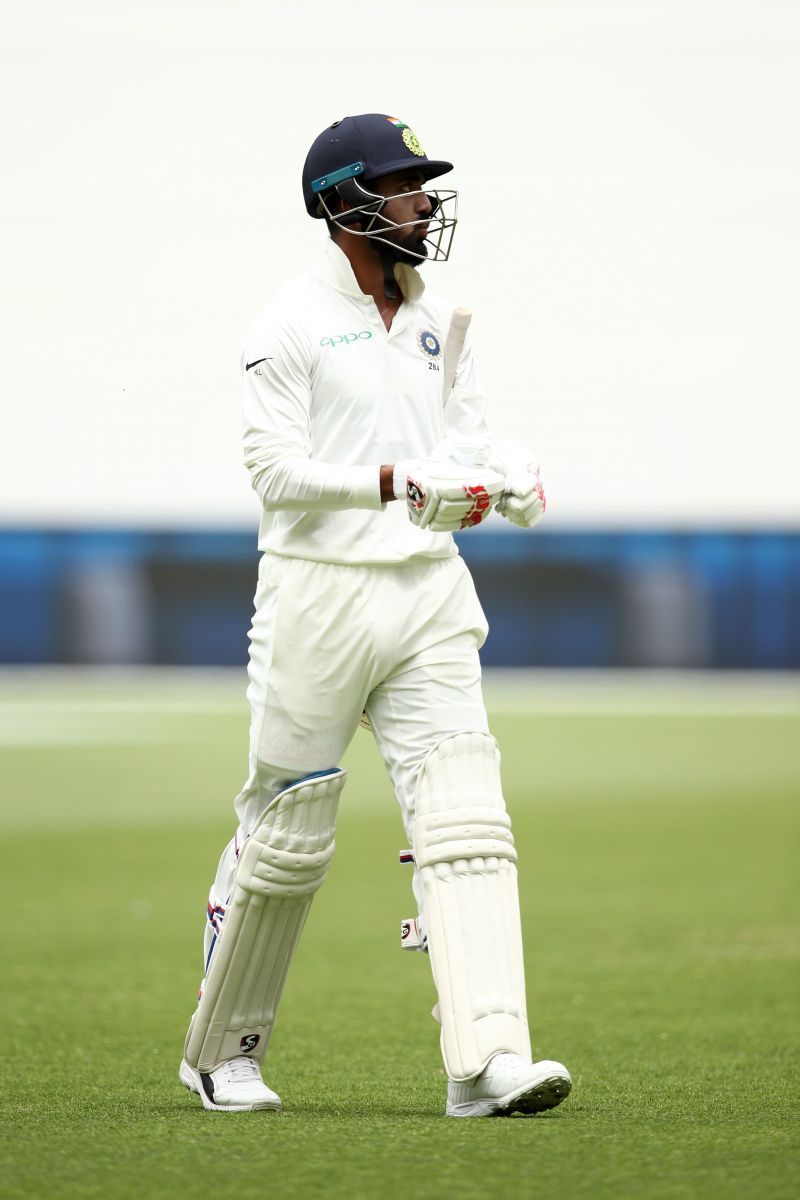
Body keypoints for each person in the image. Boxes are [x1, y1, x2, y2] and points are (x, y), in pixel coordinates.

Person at [179, 113, 572, 1118]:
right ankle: (223, 1053)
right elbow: (271, 470)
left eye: (422, 188)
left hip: (429, 593)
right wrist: (393, 482)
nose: (421, 205)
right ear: (343, 204)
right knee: (287, 829)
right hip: (317, 593)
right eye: (403, 188)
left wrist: (508, 475)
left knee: (464, 816)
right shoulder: (289, 324)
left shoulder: (444, 321)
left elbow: (466, 442)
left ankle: (485, 1060)